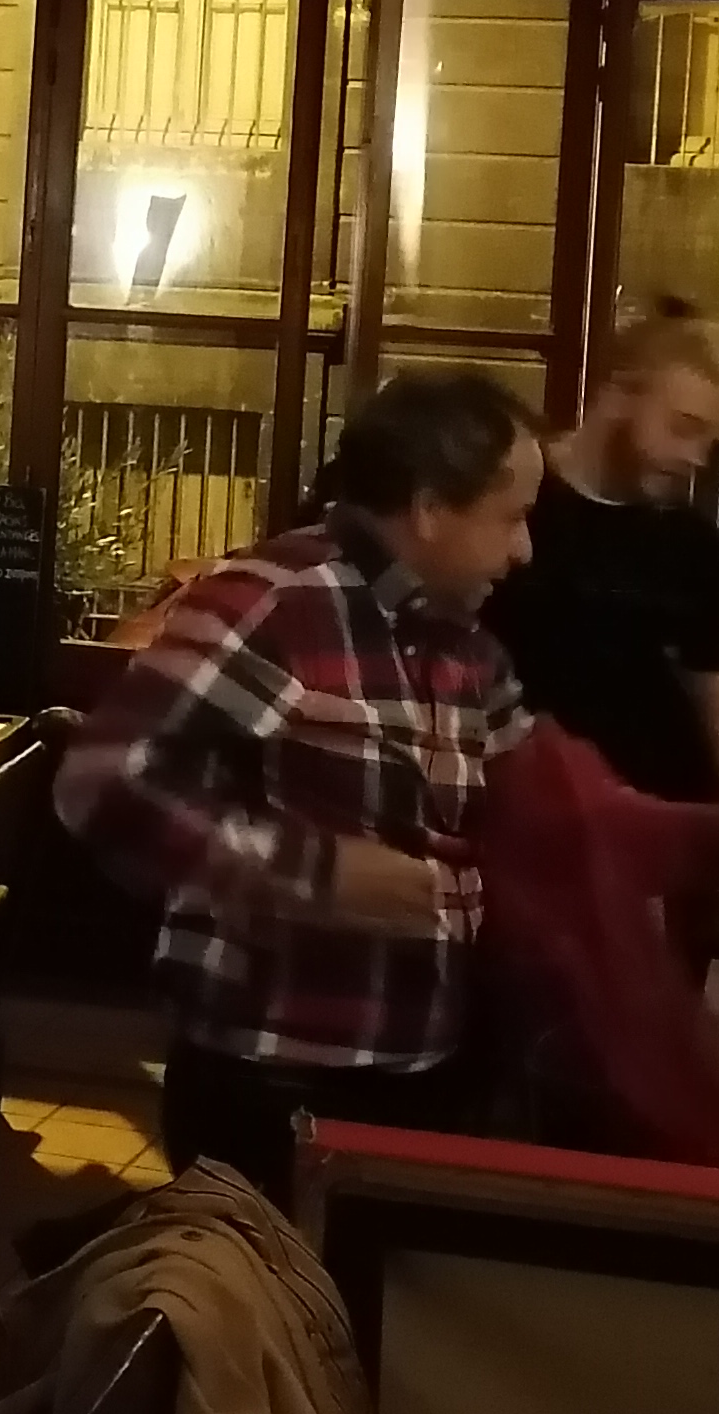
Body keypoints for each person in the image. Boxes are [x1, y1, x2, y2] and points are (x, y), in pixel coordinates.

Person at [55, 368, 543, 1197]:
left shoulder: (465, 641)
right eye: (512, 516)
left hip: (427, 1075)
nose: (524, 550)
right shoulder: (272, 601)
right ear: (430, 507)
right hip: (272, 1089)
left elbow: (534, 805)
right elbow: (102, 780)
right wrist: (315, 873)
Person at [482, 308, 719, 821]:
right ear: (621, 393)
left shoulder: (692, 546)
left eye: (709, 439)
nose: (697, 457)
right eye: (683, 427)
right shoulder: (516, 503)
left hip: (668, 840)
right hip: (530, 828)